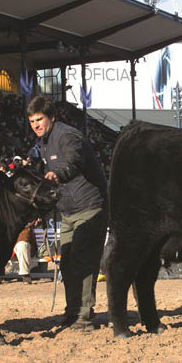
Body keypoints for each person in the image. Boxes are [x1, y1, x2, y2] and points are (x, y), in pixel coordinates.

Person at [27, 96, 107, 330]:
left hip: (90, 206)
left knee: (83, 260)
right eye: (32, 121)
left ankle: (83, 315)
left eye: (39, 119)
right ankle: (72, 310)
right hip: (68, 210)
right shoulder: (43, 142)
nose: (36, 125)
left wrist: (57, 174)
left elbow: (71, 161)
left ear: (52, 117)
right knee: (67, 263)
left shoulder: (68, 136)